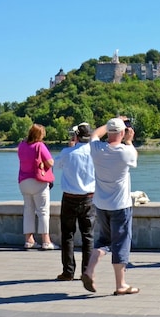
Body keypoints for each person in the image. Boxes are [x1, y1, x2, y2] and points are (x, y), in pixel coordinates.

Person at [83, 117, 139, 295]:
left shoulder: (97, 150)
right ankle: (120, 284)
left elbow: (94, 135)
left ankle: (89, 270)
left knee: (103, 240)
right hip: (120, 205)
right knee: (121, 243)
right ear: (122, 133)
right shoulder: (125, 152)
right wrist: (129, 140)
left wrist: (109, 124)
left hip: (101, 204)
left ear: (109, 132)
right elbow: (132, 153)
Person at [54, 123, 96, 281]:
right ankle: (87, 271)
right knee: (88, 236)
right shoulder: (94, 153)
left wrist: (70, 146)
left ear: (76, 136)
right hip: (89, 197)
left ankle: (68, 271)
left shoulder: (67, 152)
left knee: (67, 235)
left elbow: (56, 165)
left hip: (70, 197)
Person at [17, 124, 55, 250]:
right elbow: (50, 162)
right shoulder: (39, 145)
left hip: (23, 181)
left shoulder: (21, 145)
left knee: (28, 210)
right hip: (37, 181)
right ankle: (46, 240)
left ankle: (29, 240)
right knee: (43, 211)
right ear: (40, 135)